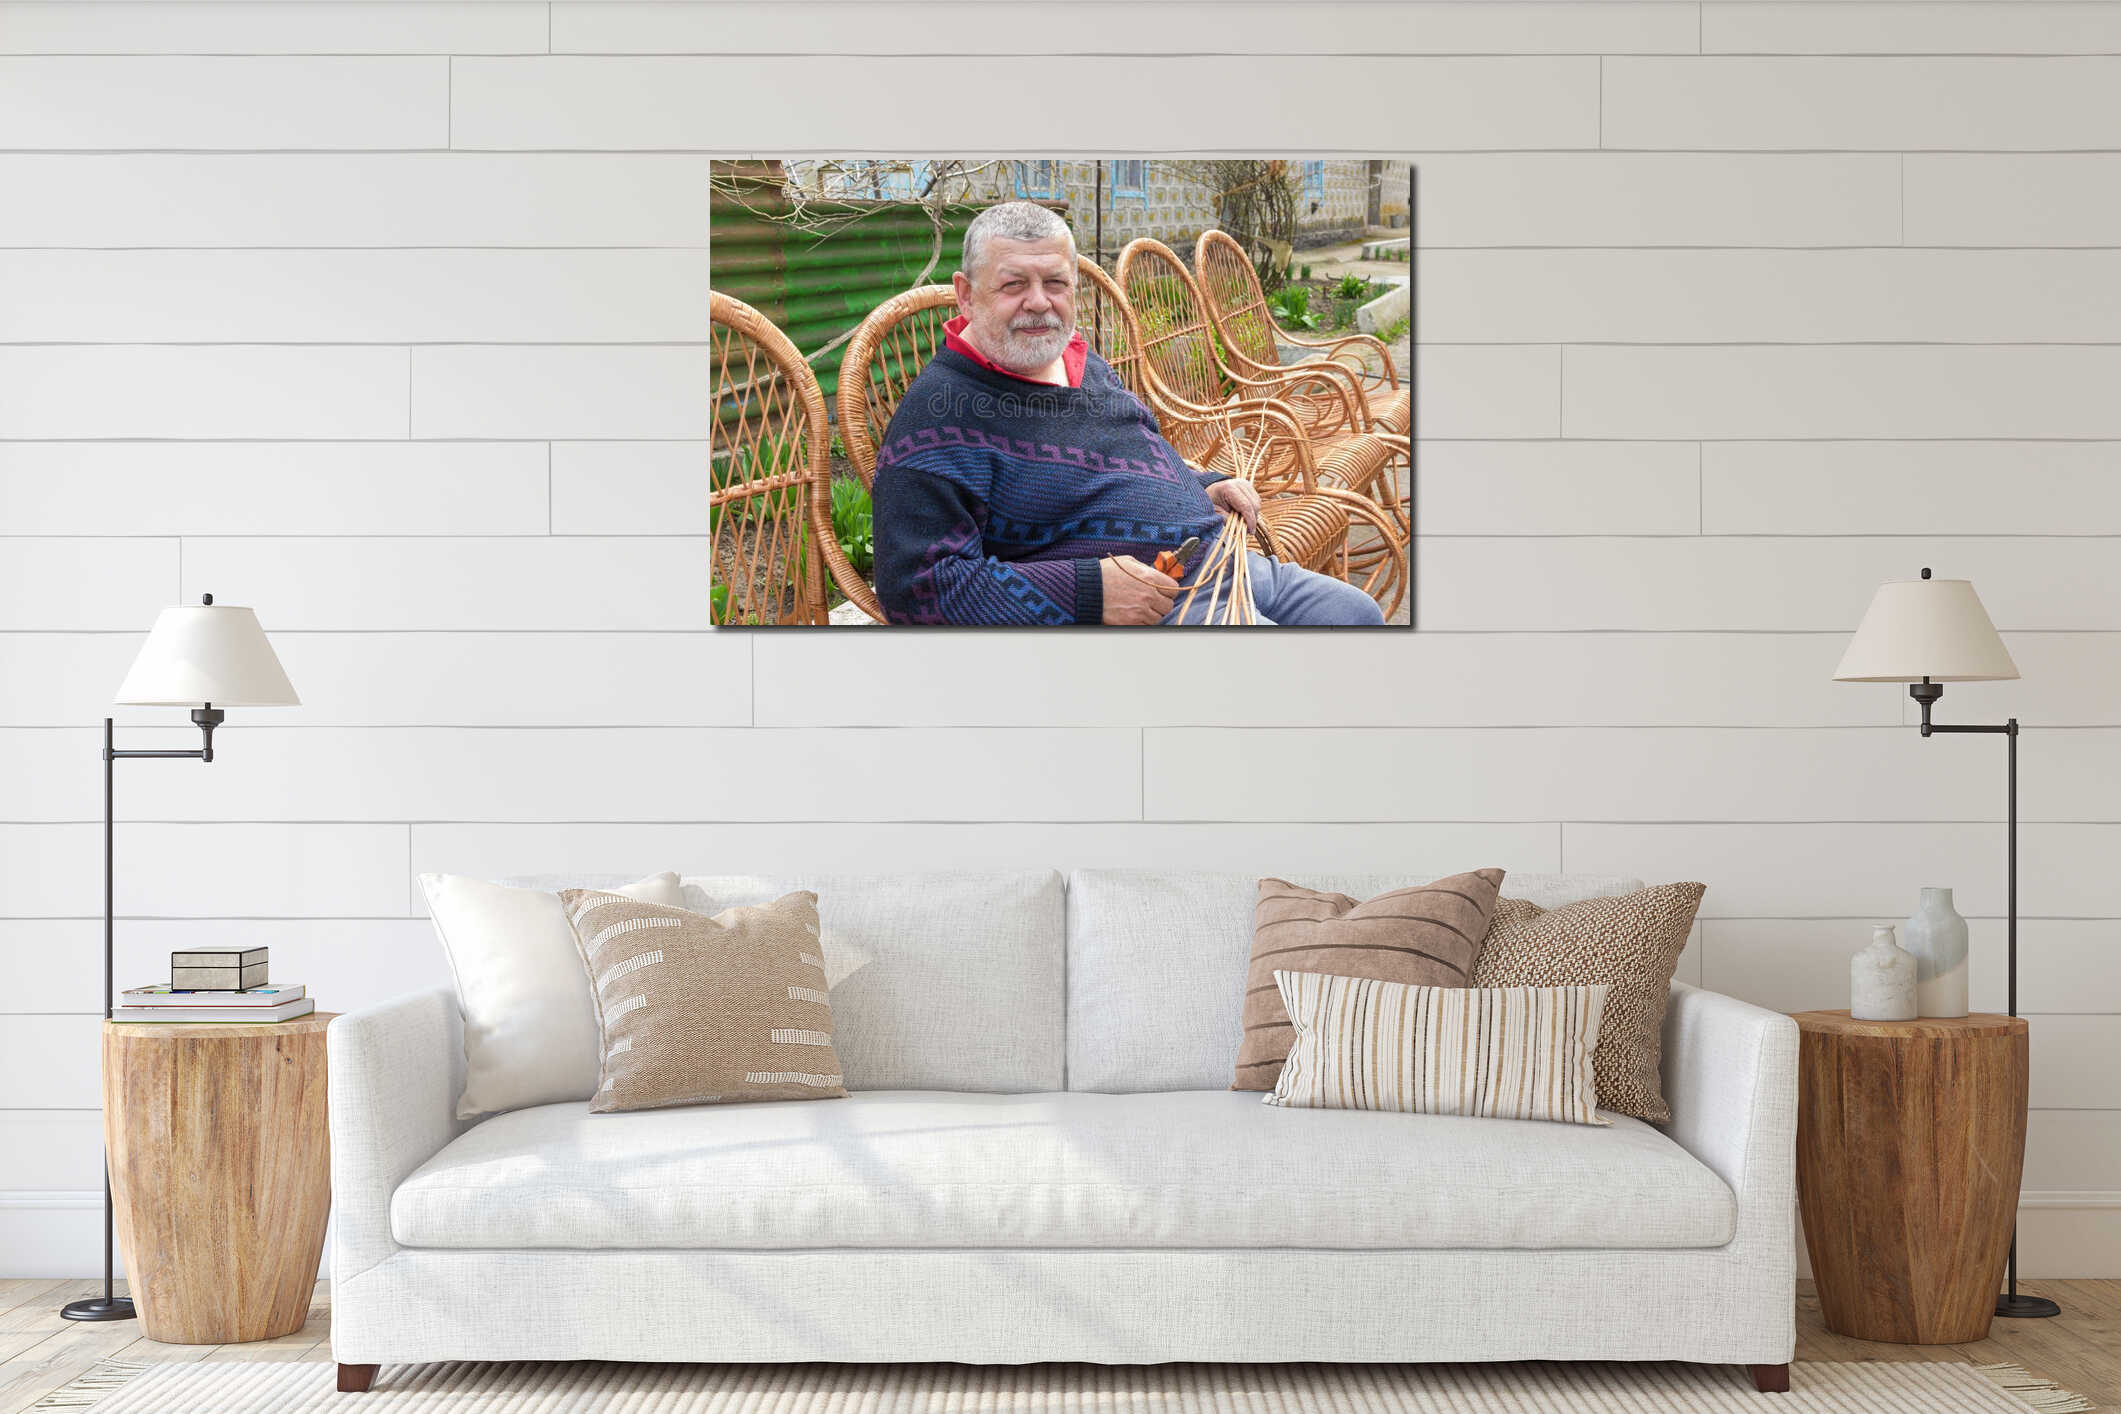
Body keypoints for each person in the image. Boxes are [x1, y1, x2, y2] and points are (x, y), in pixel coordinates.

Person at [868, 201, 1384, 627]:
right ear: (965, 295)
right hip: (1159, 603)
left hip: (1223, 559)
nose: (1039, 303)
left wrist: (1203, 483)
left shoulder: (1081, 361)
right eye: (1012, 285)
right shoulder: (937, 418)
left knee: (1356, 614)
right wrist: (1086, 591)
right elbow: (916, 588)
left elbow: (1134, 458)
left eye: (1056, 283)